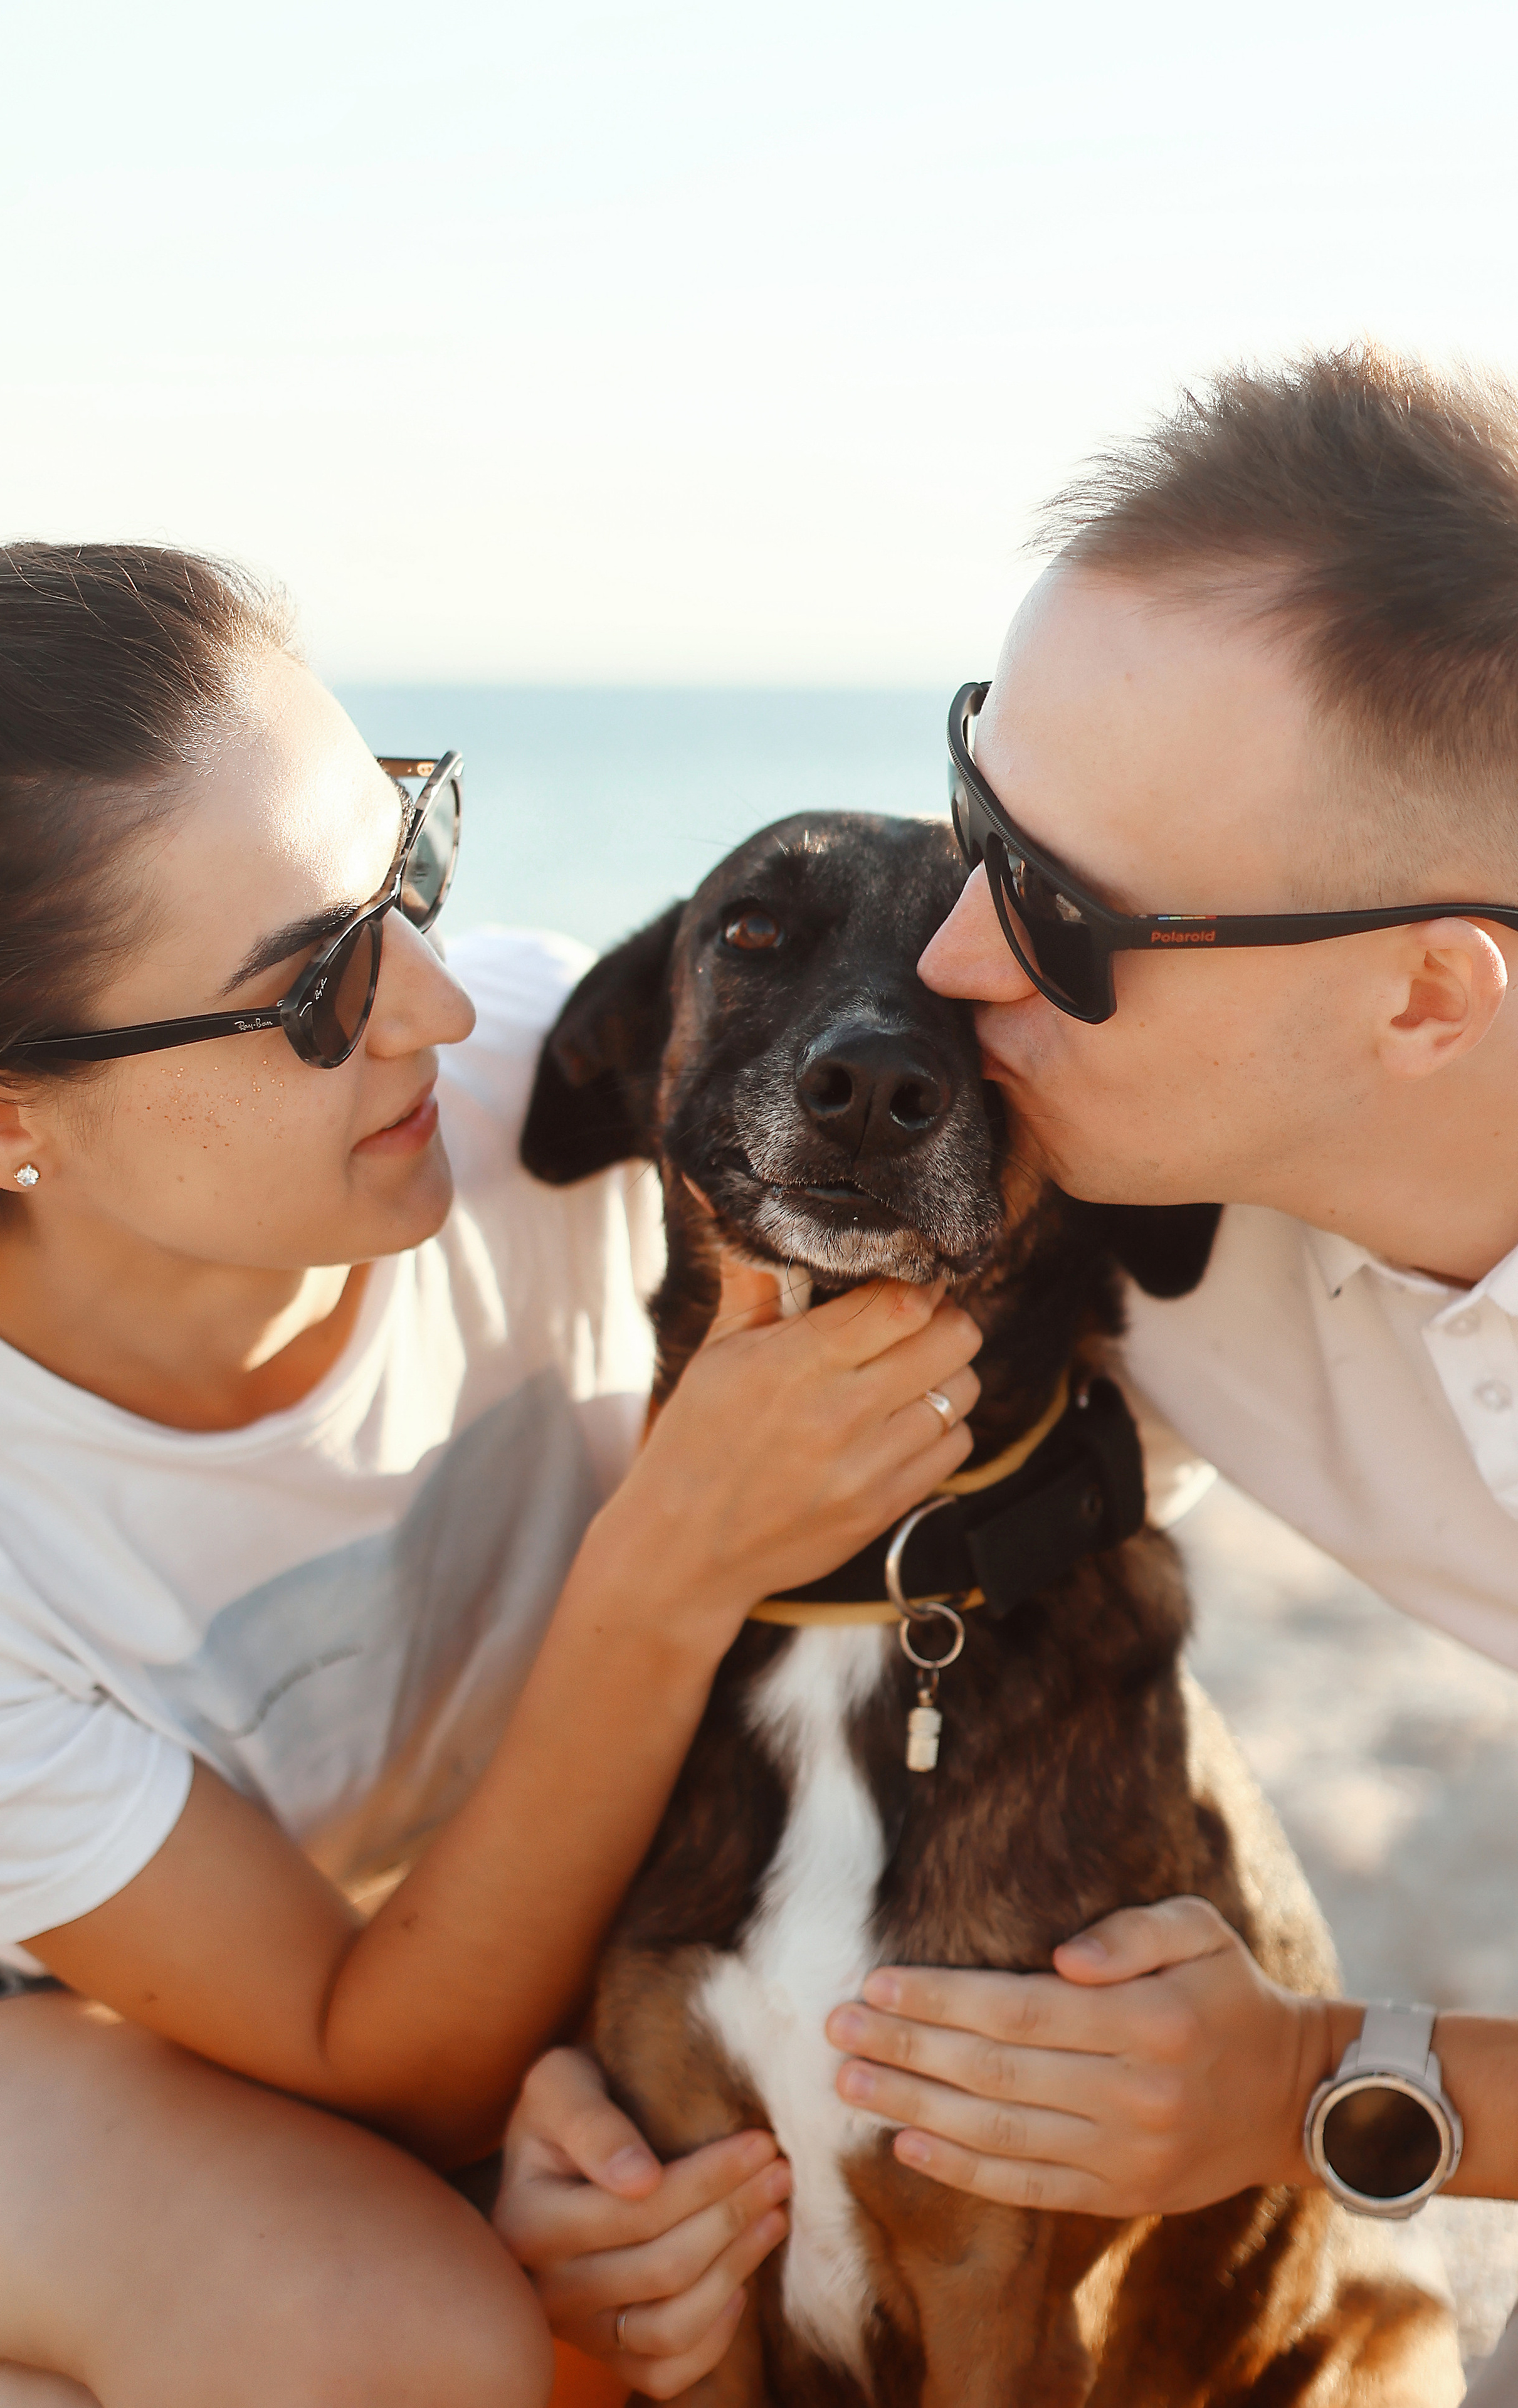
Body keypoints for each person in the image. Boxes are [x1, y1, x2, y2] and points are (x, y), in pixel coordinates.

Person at [502, 349, 1518, 2397]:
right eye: (983, 818)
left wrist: (1327, 2081)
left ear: (1420, 995)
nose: (954, 968)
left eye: (1059, 909)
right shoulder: (1131, 1182)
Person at [0, 542, 987, 2408]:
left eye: (401, 865)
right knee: (393, 2343)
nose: (433, 1003)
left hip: (422, 1946)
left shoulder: (540, 1103)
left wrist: (541, 2122)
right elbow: (363, 2043)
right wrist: (666, 1568)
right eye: (315, 987)